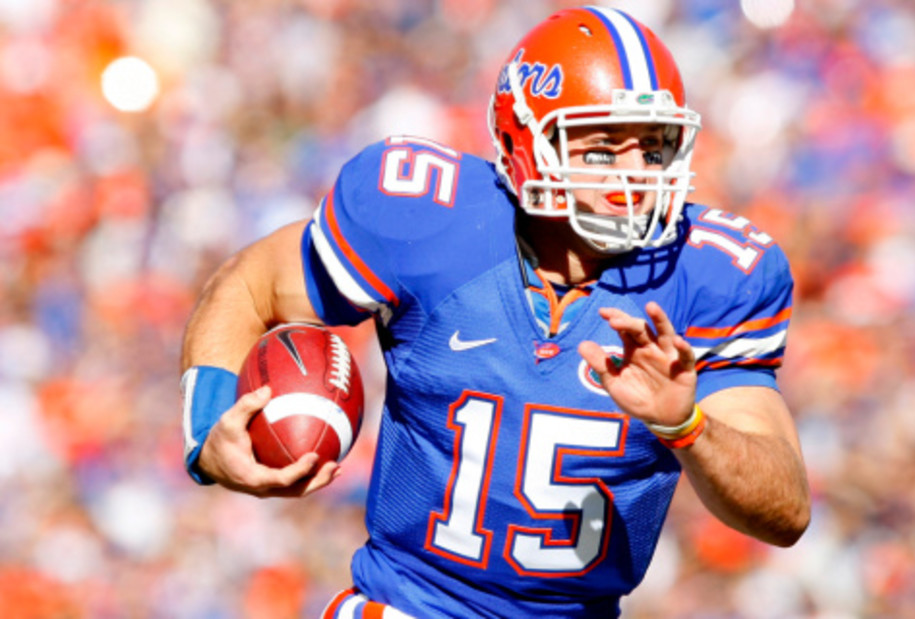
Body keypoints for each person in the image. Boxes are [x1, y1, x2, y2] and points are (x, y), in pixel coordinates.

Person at [180, 6, 810, 617]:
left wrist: (688, 426)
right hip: (406, 605)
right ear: (523, 144)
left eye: (652, 148)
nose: (633, 176)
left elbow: (786, 512)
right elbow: (249, 285)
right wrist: (208, 430)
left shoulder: (709, 276)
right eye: (600, 151)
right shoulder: (427, 219)